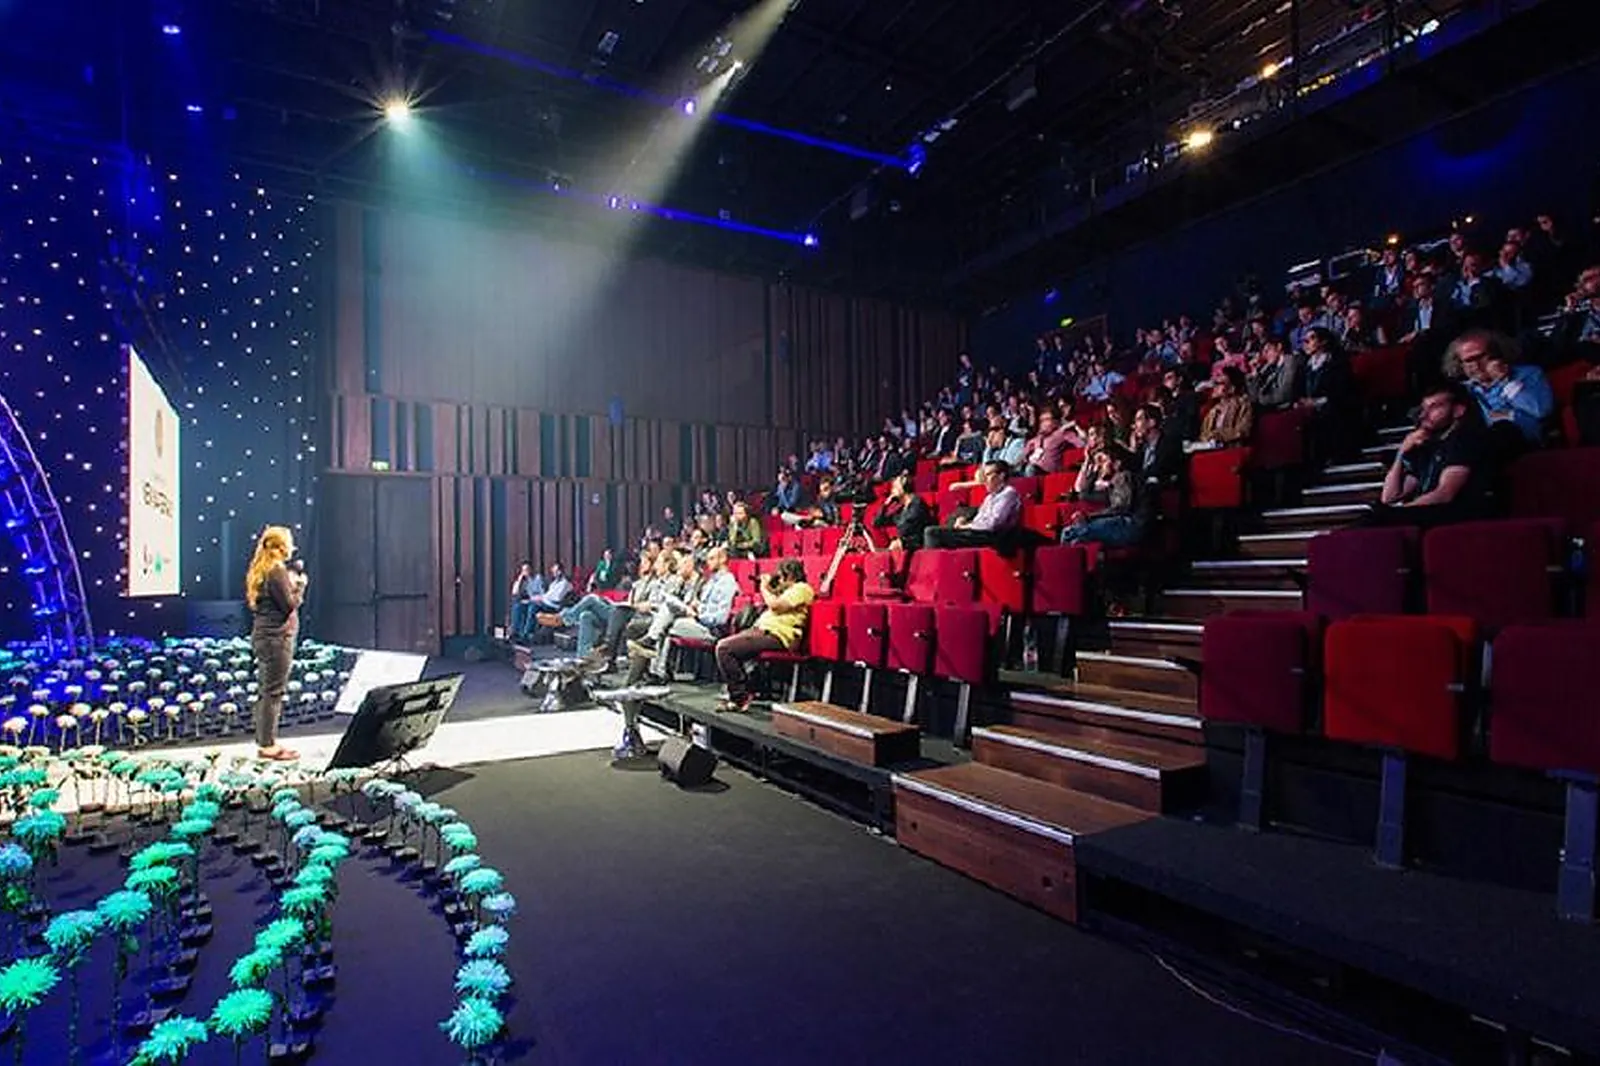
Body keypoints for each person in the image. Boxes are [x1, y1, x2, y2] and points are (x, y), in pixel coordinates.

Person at [1371, 381, 1493, 528]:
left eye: (1435, 407)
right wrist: (1401, 452)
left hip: (1455, 516)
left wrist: (1399, 513)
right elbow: (1390, 497)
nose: (1424, 415)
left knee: (1376, 520)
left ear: (1458, 410)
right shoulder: (1428, 444)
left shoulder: (1464, 440)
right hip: (1424, 514)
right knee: (1373, 517)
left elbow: (1445, 494)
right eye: (1424, 408)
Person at [714, 558, 814, 713]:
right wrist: (768, 585)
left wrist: (763, 588)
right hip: (762, 631)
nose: (779, 581)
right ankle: (742, 691)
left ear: (791, 576)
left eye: (781, 576)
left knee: (724, 648)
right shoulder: (788, 590)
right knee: (726, 646)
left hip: (779, 636)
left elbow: (776, 605)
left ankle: (739, 697)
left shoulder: (802, 589)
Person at [245, 525, 306, 762]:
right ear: (281, 547)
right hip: (276, 639)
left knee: (267, 692)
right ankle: (268, 745)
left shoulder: (262, 569)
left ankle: (265, 742)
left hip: (266, 637)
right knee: (273, 692)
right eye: (289, 543)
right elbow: (289, 604)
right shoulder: (276, 570)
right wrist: (299, 586)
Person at [923, 461, 1023, 549]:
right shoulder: (989, 497)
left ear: (1001, 476)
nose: (984, 480)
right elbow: (979, 520)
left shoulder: (1009, 493)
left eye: (987, 475)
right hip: (979, 533)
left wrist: (966, 526)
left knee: (932, 533)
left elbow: (993, 524)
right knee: (943, 528)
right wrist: (965, 522)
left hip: (994, 536)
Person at [872, 470, 934, 551]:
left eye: (895, 487)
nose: (892, 491)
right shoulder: (901, 510)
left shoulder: (917, 503)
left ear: (903, 487)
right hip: (906, 546)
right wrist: (885, 505)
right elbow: (877, 523)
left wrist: (901, 542)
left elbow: (907, 527)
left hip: (919, 544)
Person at [509, 561, 540, 640]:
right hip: (528, 601)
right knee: (517, 605)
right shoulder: (524, 581)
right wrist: (520, 579)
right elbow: (515, 593)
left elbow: (543, 595)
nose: (526, 572)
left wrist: (531, 599)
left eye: (527, 569)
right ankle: (514, 632)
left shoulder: (538, 578)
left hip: (537, 602)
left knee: (531, 607)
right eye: (524, 570)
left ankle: (525, 634)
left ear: (532, 569)